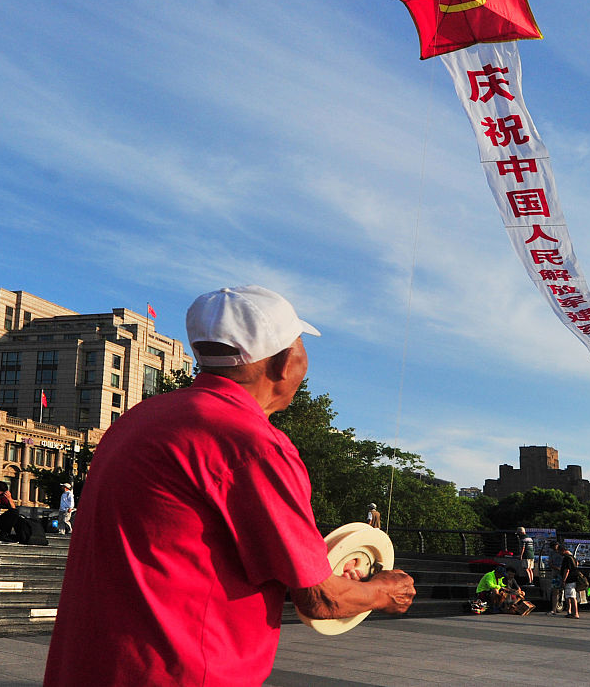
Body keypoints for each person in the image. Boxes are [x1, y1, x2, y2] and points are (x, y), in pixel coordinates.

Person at [44, 285, 416, 686]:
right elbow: (321, 597)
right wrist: (383, 590)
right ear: (286, 360)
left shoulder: (139, 419)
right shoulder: (252, 444)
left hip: (88, 666)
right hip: (181, 673)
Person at [559, 543, 582, 619]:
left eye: (560, 552)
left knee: (572, 597)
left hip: (570, 580)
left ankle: (575, 613)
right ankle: (571, 612)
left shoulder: (567, 558)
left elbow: (567, 570)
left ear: (563, 551)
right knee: (570, 596)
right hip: (574, 579)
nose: (560, 554)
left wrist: (563, 580)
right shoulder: (573, 557)